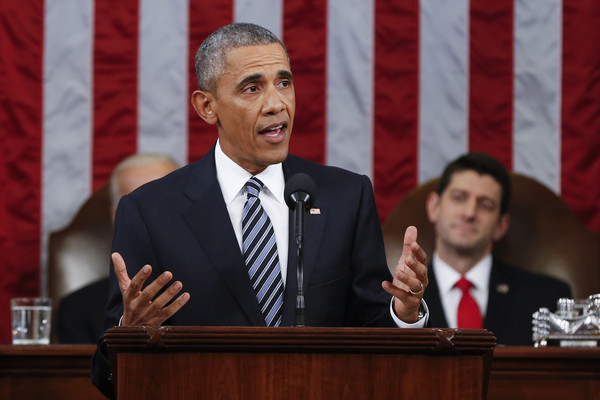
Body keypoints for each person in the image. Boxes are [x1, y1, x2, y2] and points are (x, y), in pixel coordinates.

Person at [91, 22, 429, 398]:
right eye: (252, 88)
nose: (276, 103)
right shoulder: (150, 211)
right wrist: (131, 333)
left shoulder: (346, 196)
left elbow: (373, 333)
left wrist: (405, 313)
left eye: (284, 82)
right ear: (207, 106)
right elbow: (110, 377)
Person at [422, 152, 572, 345]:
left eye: (485, 205)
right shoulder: (395, 298)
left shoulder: (547, 298)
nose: (469, 213)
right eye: (459, 198)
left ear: (501, 225)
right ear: (434, 207)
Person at [56, 153, 179, 343]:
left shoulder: (226, 287)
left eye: (165, 203)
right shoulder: (78, 308)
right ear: (117, 218)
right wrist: (130, 331)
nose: (154, 217)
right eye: (139, 207)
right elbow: (91, 373)